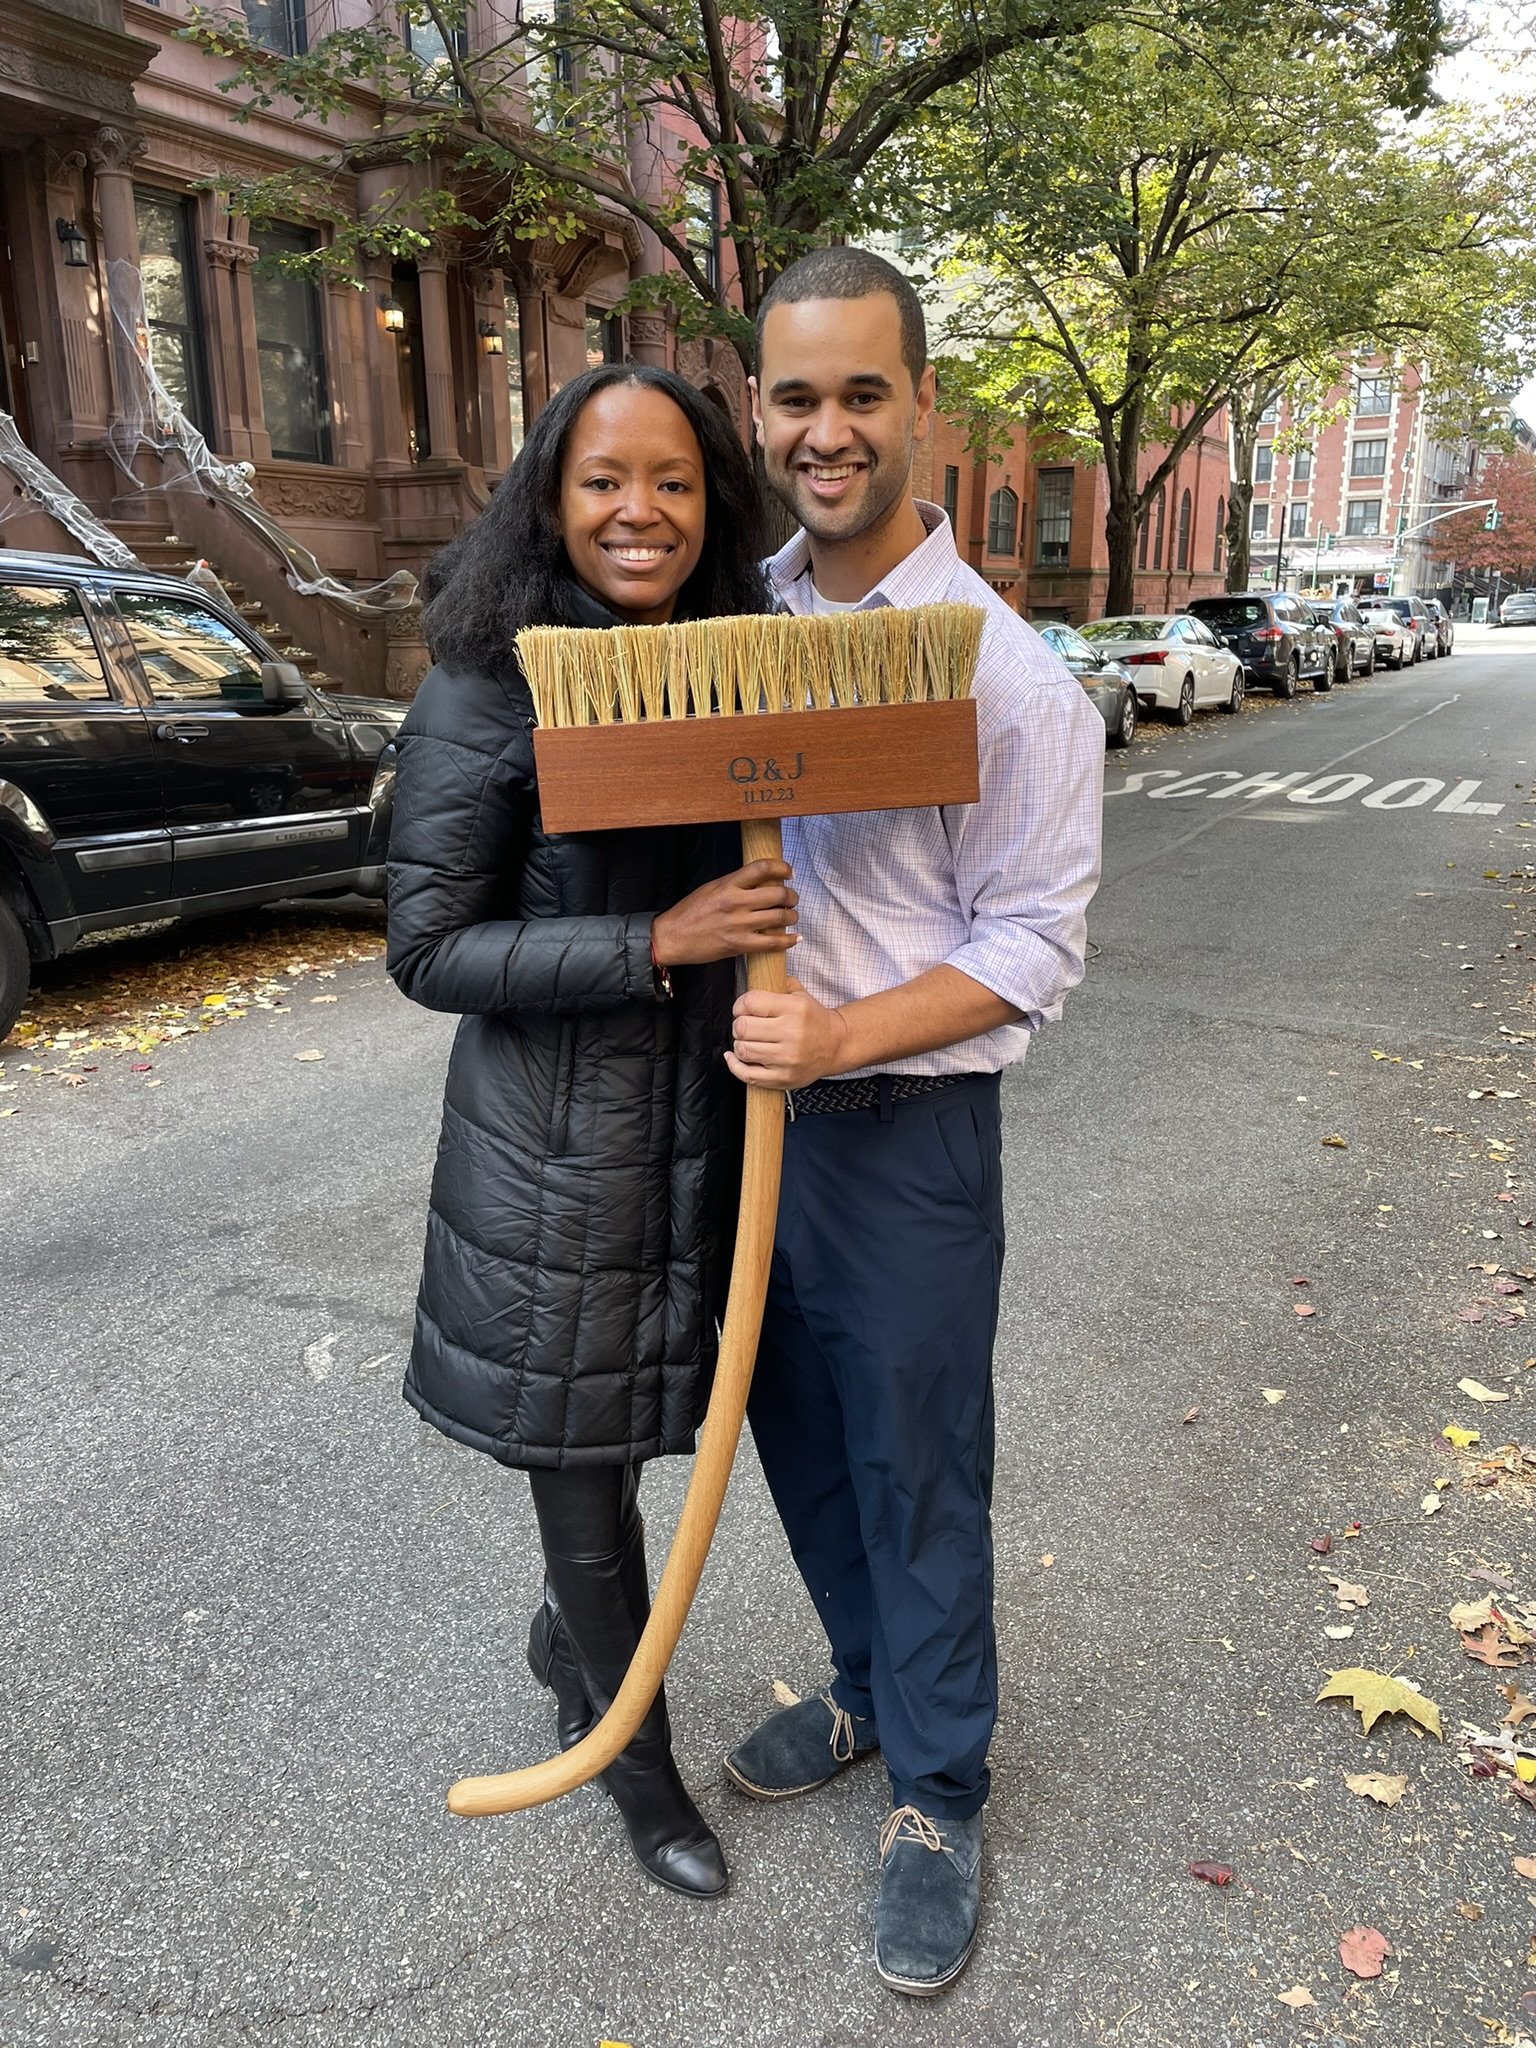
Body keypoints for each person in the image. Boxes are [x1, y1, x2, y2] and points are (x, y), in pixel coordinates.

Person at [720, 249, 1104, 1994]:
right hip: (759, 1129)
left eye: (862, 393)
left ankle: (942, 1789)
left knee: (920, 1465)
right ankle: (872, 1690)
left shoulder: (1011, 680)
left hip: (909, 1135)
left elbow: (1034, 944)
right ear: (759, 410)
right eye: (797, 395)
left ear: (922, 408)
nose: (827, 429)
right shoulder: (739, 624)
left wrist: (843, 1032)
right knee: (794, 1431)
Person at [386, 364, 799, 1899]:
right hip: (555, 1164)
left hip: (715, 1136)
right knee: (583, 1459)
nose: (644, 512)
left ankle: (575, 1637)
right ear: (553, 497)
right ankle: (635, 1763)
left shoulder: (733, 664)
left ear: (716, 503)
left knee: (645, 1438)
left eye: (678, 482)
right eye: (608, 481)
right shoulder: (488, 682)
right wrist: (658, 942)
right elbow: (430, 950)